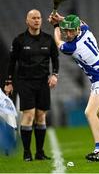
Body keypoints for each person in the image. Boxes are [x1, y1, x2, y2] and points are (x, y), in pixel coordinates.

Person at [48, 13, 99, 162]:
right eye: (67, 30)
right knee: (96, 118)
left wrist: (55, 25)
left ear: (77, 29)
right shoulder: (86, 30)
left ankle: (98, 150)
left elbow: (58, 41)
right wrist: (61, 20)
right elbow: (81, 22)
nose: (69, 33)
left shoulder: (72, 47)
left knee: (89, 113)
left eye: (72, 30)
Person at [4, 9, 59, 161]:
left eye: (39, 18)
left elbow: (55, 59)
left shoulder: (48, 39)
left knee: (41, 116)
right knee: (29, 114)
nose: (37, 20)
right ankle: (27, 152)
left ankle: (40, 152)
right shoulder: (19, 40)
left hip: (43, 82)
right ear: (27, 21)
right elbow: (12, 62)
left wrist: (55, 74)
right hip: (25, 82)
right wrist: (8, 82)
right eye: (33, 18)